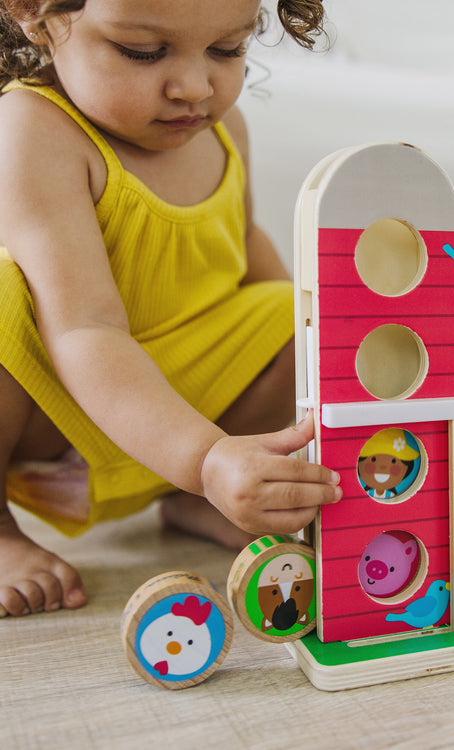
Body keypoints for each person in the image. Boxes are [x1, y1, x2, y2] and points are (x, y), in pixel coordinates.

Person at [0, 0, 342, 618]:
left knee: (315, 322)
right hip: (60, 424)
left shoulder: (223, 128)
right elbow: (85, 328)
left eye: (227, 50)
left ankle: (196, 500)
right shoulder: (34, 127)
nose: (195, 87)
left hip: (180, 411)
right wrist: (204, 458)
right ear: (36, 14)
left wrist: (308, 349)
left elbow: (242, 254)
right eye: (143, 52)